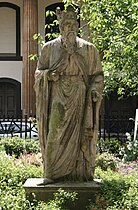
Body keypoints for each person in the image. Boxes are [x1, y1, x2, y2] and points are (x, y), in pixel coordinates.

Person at [34, 5, 103, 183]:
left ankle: (79, 173)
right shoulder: (49, 48)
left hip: (80, 94)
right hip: (58, 92)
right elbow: (38, 72)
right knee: (54, 132)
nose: (69, 28)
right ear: (60, 27)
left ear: (77, 26)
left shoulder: (89, 49)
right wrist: (48, 75)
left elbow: (97, 75)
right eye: (66, 25)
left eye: (73, 24)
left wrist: (95, 90)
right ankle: (51, 173)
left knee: (80, 134)